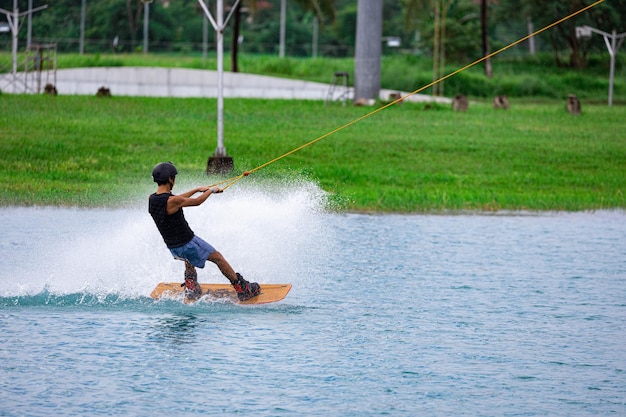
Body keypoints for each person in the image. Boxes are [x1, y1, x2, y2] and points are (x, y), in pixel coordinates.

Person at [148, 162, 260, 301]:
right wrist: (210, 191)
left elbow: (177, 199)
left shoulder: (152, 199)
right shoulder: (173, 200)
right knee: (218, 258)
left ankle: (191, 288)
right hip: (187, 242)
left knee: (188, 257)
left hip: (173, 247)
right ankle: (242, 289)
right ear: (171, 179)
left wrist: (196, 189)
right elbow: (196, 202)